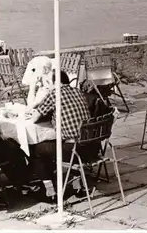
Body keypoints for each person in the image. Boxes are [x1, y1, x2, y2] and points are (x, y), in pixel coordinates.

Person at [28, 70, 96, 201]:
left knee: (36, 149)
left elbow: (35, 118)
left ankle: (50, 191)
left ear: (55, 82)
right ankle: (78, 185)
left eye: (49, 82)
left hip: (73, 150)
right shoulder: (77, 91)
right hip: (91, 147)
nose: (48, 85)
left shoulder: (55, 94)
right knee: (51, 146)